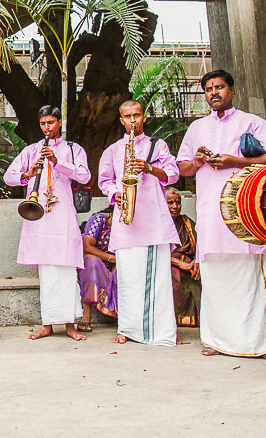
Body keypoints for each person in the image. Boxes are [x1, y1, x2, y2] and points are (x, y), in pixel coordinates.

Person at [176, 70, 266, 360]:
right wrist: (198, 160)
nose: (214, 92)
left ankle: (264, 343)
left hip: (246, 211)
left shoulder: (252, 122)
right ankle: (218, 339)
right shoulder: (197, 127)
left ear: (232, 91)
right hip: (212, 214)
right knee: (216, 276)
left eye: (220, 87)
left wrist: (235, 161)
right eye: (209, 89)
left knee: (252, 273)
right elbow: (182, 169)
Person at [3, 106, 90, 341]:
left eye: (51, 122)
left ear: (59, 123)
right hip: (39, 217)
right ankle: (48, 325)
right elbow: (8, 177)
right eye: (43, 123)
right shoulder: (32, 150)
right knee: (47, 273)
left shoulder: (73, 149)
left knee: (66, 269)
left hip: (63, 216)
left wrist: (58, 162)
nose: (47, 127)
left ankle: (70, 325)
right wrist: (28, 174)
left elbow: (85, 176)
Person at [97, 100, 180, 346]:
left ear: (144, 117)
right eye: (127, 116)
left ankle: (162, 332)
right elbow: (104, 180)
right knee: (128, 277)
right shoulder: (112, 150)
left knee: (158, 280)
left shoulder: (158, 145)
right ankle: (128, 329)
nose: (133, 120)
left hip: (154, 222)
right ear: (121, 120)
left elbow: (173, 173)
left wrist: (149, 168)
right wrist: (116, 194)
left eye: (136, 115)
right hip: (127, 221)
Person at [78, 206, 117, 331]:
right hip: (94, 264)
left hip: (117, 265)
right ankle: (86, 315)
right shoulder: (99, 220)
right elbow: (87, 247)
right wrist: (112, 258)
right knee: (92, 262)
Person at [166, 187, 200, 328]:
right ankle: (173, 320)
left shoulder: (186, 221)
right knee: (176, 275)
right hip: (168, 263)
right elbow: (156, 252)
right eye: (170, 202)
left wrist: (196, 262)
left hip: (189, 263)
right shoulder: (158, 223)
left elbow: (200, 243)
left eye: (178, 202)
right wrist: (180, 264)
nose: (175, 206)